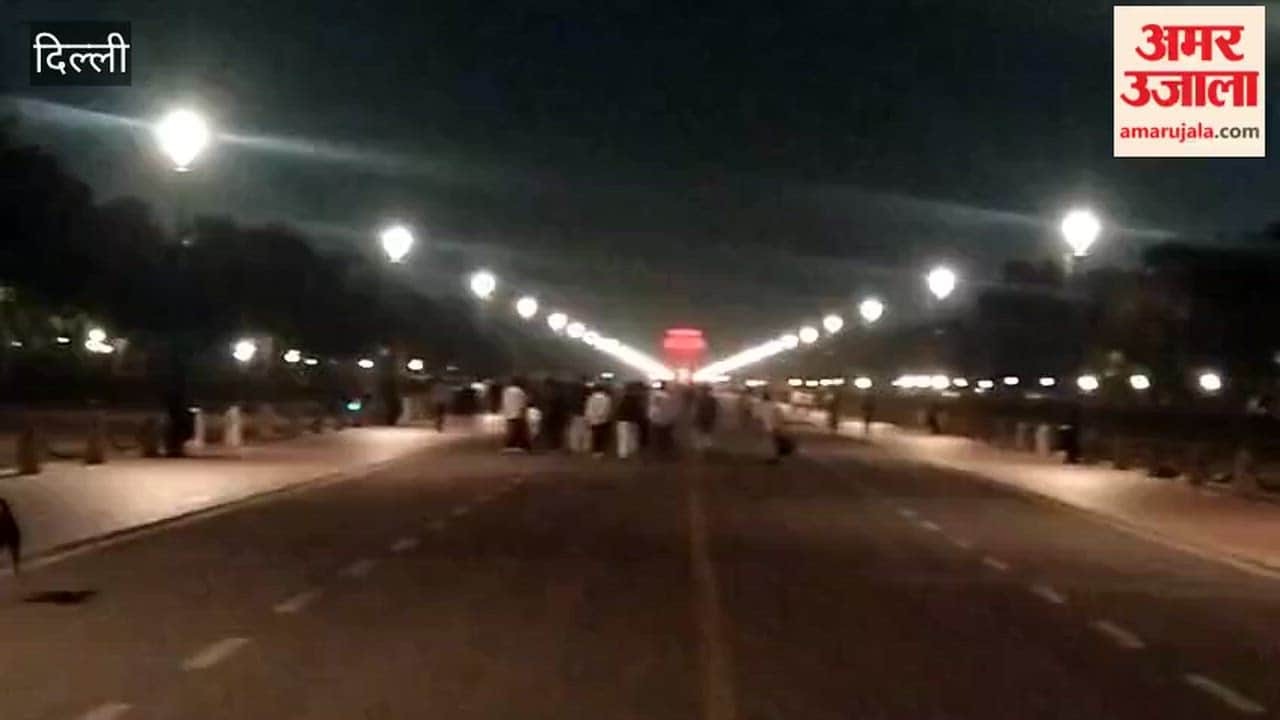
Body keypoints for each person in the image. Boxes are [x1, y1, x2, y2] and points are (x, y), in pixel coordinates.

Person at [760, 390, 792, 463]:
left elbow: (757, 416)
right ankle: (775, 457)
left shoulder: (761, 405)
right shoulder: (775, 406)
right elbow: (780, 417)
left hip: (767, 426)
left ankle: (772, 457)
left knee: (771, 442)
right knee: (775, 442)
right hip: (774, 426)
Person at [648, 382, 679, 458]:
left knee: (658, 438)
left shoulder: (655, 396)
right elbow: (672, 410)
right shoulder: (669, 397)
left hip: (658, 421)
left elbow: (653, 409)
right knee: (666, 437)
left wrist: (651, 417)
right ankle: (666, 453)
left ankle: (658, 453)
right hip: (667, 421)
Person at [615, 382, 645, 459]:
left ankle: (623, 454)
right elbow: (639, 411)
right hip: (632, 420)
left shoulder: (624, 399)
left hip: (622, 420)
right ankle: (631, 450)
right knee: (631, 436)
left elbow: (619, 410)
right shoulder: (637, 400)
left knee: (623, 437)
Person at [585, 384, 614, 458]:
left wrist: (589, 418)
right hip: (603, 420)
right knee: (601, 436)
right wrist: (601, 416)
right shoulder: (607, 398)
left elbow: (588, 409)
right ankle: (600, 451)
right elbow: (607, 409)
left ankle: (595, 451)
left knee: (595, 436)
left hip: (593, 420)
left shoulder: (591, 397)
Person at [501, 379, 531, 452]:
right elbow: (524, 403)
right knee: (520, 430)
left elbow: (504, 402)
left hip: (509, 413)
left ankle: (511, 444)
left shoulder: (506, 391)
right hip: (518, 413)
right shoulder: (520, 391)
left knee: (511, 430)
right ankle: (522, 445)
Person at [693, 385, 719, 453]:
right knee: (706, 432)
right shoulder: (712, 399)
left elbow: (698, 410)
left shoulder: (700, 399)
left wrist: (696, 418)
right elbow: (714, 410)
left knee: (700, 431)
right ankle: (706, 446)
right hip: (708, 418)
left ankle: (700, 446)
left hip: (703, 417)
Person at [0, 498, 21, 576]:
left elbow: (13, 529)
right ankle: (16, 567)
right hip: (4, 534)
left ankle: (16, 567)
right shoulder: (6, 515)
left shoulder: (7, 515)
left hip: (11, 534)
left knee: (14, 551)